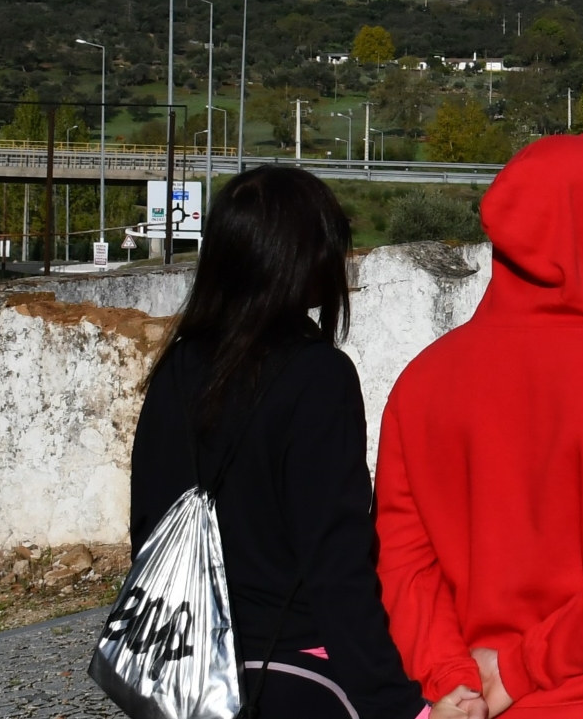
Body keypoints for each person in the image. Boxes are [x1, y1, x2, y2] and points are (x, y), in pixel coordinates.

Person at [376, 135, 583, 717]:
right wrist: (520, 668)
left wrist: (451, 675)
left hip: (466, 701)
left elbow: (405, 559)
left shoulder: (420, 384)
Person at [129, 165, 478, 719]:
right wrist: (400, 707)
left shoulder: (178, 366)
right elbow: (335, 562)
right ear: (302, 257)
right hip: (288, 673)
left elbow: (149, 528)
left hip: (184, 673)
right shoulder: (317, 376)